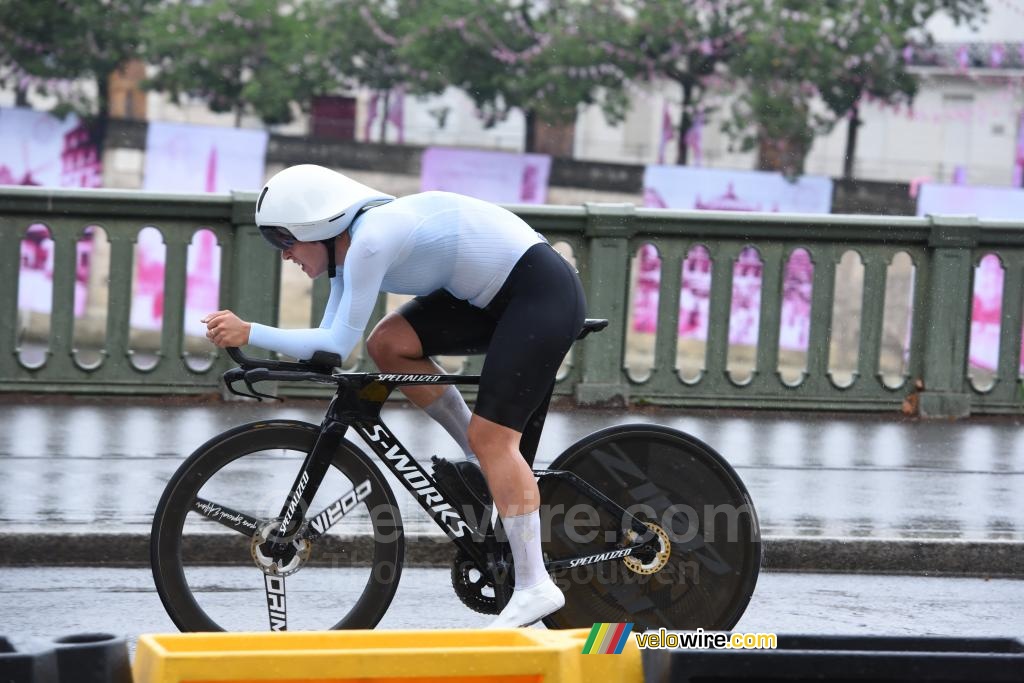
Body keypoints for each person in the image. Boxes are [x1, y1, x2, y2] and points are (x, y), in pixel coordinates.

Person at [202, 164, 586, 628]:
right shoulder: (347, 253)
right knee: (388, 344)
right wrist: (263, 352)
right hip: (493, 297)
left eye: (285, 240)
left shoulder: (369, 241)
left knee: (495, 439)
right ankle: (479, 456)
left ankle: (534, 585)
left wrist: (251, 332)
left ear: (318, 228)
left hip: (539, 294)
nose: (284, 255)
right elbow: (330, 343)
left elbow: (334, 347)